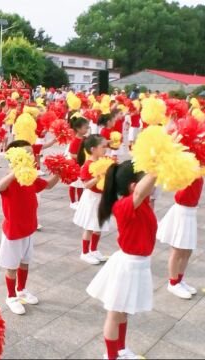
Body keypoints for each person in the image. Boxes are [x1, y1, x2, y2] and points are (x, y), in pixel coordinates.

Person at [86, 160, 157, 360]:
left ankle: (121, 349)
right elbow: (141, 190)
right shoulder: (124, 205)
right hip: (128, 266)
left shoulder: (140, 201)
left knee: (124, 312)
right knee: (114, 314)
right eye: (147, 181)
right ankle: (111, 356)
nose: (153, 185)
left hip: (138, 264)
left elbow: (144, 189)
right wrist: (158, 166)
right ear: (134, 186)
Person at [0, 140, 59, 315]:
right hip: (13, 231)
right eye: (28, 153)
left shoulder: (31, 178)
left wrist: (59, 173)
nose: (32, 156)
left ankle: (21, 290)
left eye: (32, 153)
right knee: (11, 266)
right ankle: (11, 296)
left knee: (25, 262)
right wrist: (15, 172)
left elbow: (48, 185)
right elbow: (0, 186)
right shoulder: (11, 180)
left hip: (29, 228)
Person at [157, 174, 203, 300]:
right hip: (182, 211)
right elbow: (178, 192)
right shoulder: (184, 169)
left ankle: (179, 280)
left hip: (191, 211)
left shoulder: (199, 170)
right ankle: (172, 283)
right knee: (177, 250)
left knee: (187, 251)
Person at [73, 135, 110, 265]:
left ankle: (94, 250)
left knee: (98, 226)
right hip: (92, 199)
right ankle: (85, 252)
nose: (106, 149)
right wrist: (98, 177)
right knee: (89, 227)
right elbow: (86, 185)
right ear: (93, 149)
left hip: (102, 198)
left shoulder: (104, 161)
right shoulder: (87, 165)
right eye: (103, 147)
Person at [67, 117, 90, 209]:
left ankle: (80, 201)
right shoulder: (75, 141)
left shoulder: (85, 139)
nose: (87, 129)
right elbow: (72, 155)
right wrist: (83, 157)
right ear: (78, 129)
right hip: (75, 165)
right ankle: (72, 202)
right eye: (85, 127)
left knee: (80, 184)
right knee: (73, 184)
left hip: (82, 165)